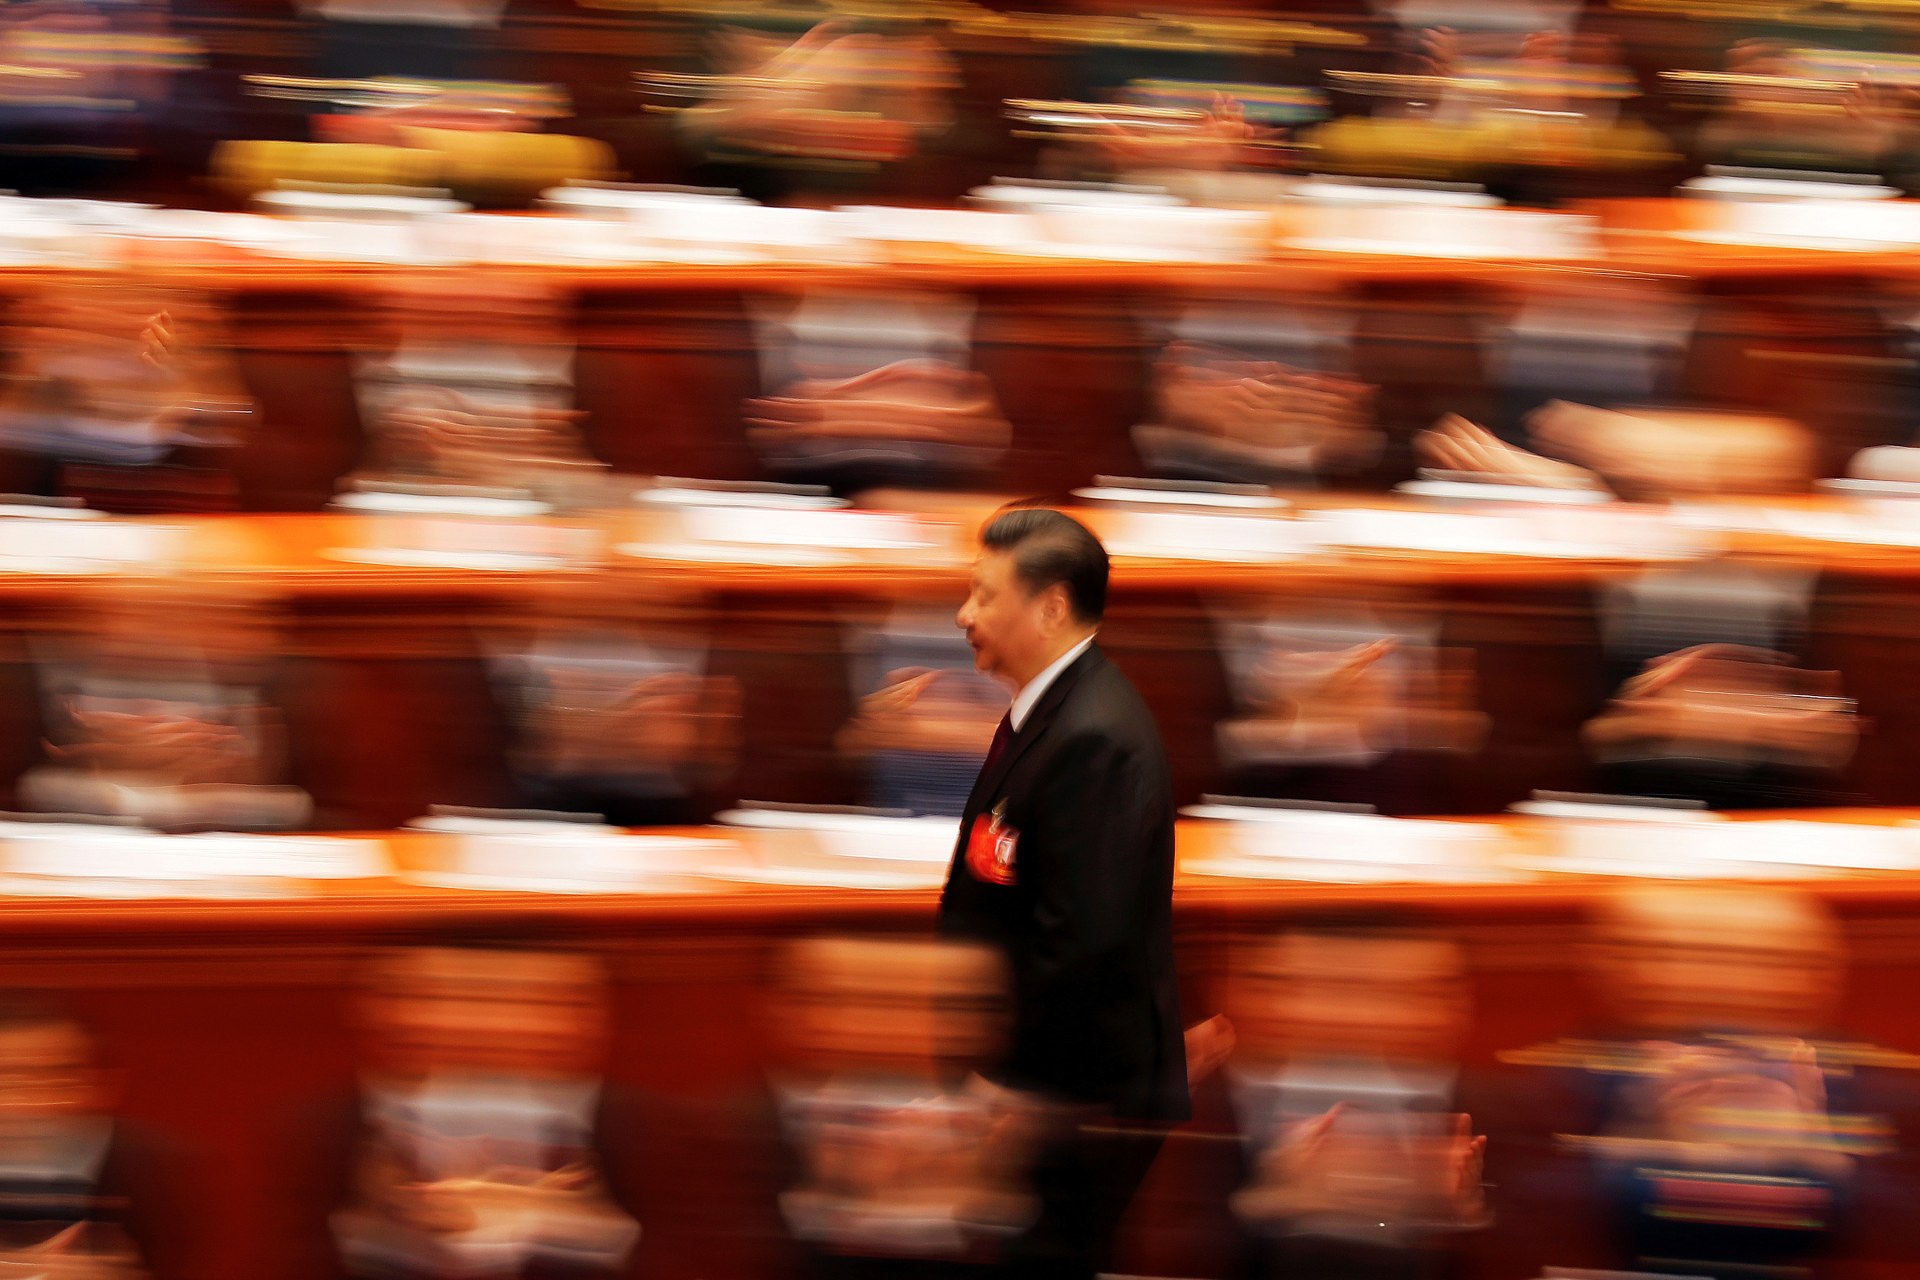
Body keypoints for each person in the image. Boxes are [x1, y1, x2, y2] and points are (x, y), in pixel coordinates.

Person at [938, 507, 1189, 1279]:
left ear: (1049, 606)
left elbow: (1083, 942)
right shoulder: (1053, 710)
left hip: (1070, 1095)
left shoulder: (1093, 738)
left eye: (984, 596)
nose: (964, 614)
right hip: (1053, 1086)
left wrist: (1010, 1090)